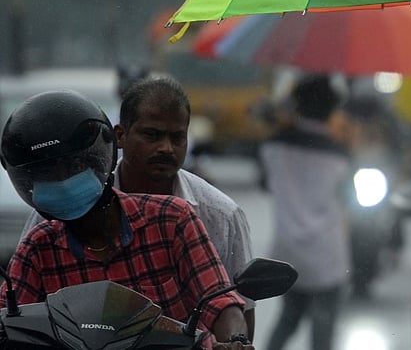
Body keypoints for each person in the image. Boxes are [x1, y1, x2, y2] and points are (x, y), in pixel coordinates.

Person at [0, 90, 252, 349]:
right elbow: (9, 320)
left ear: (102, 159)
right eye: (47, 173)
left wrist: (235, 340)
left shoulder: (173, 220)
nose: (63, 180)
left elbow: (218, 300)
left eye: (74, 166)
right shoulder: (38, 247)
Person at [258, 74, 351, 350]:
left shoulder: (273, 147)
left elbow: (265, 184)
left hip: (288, 252)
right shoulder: (340, 155)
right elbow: (347, 198)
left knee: (288, 319)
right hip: (327, 255)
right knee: (323, 331)